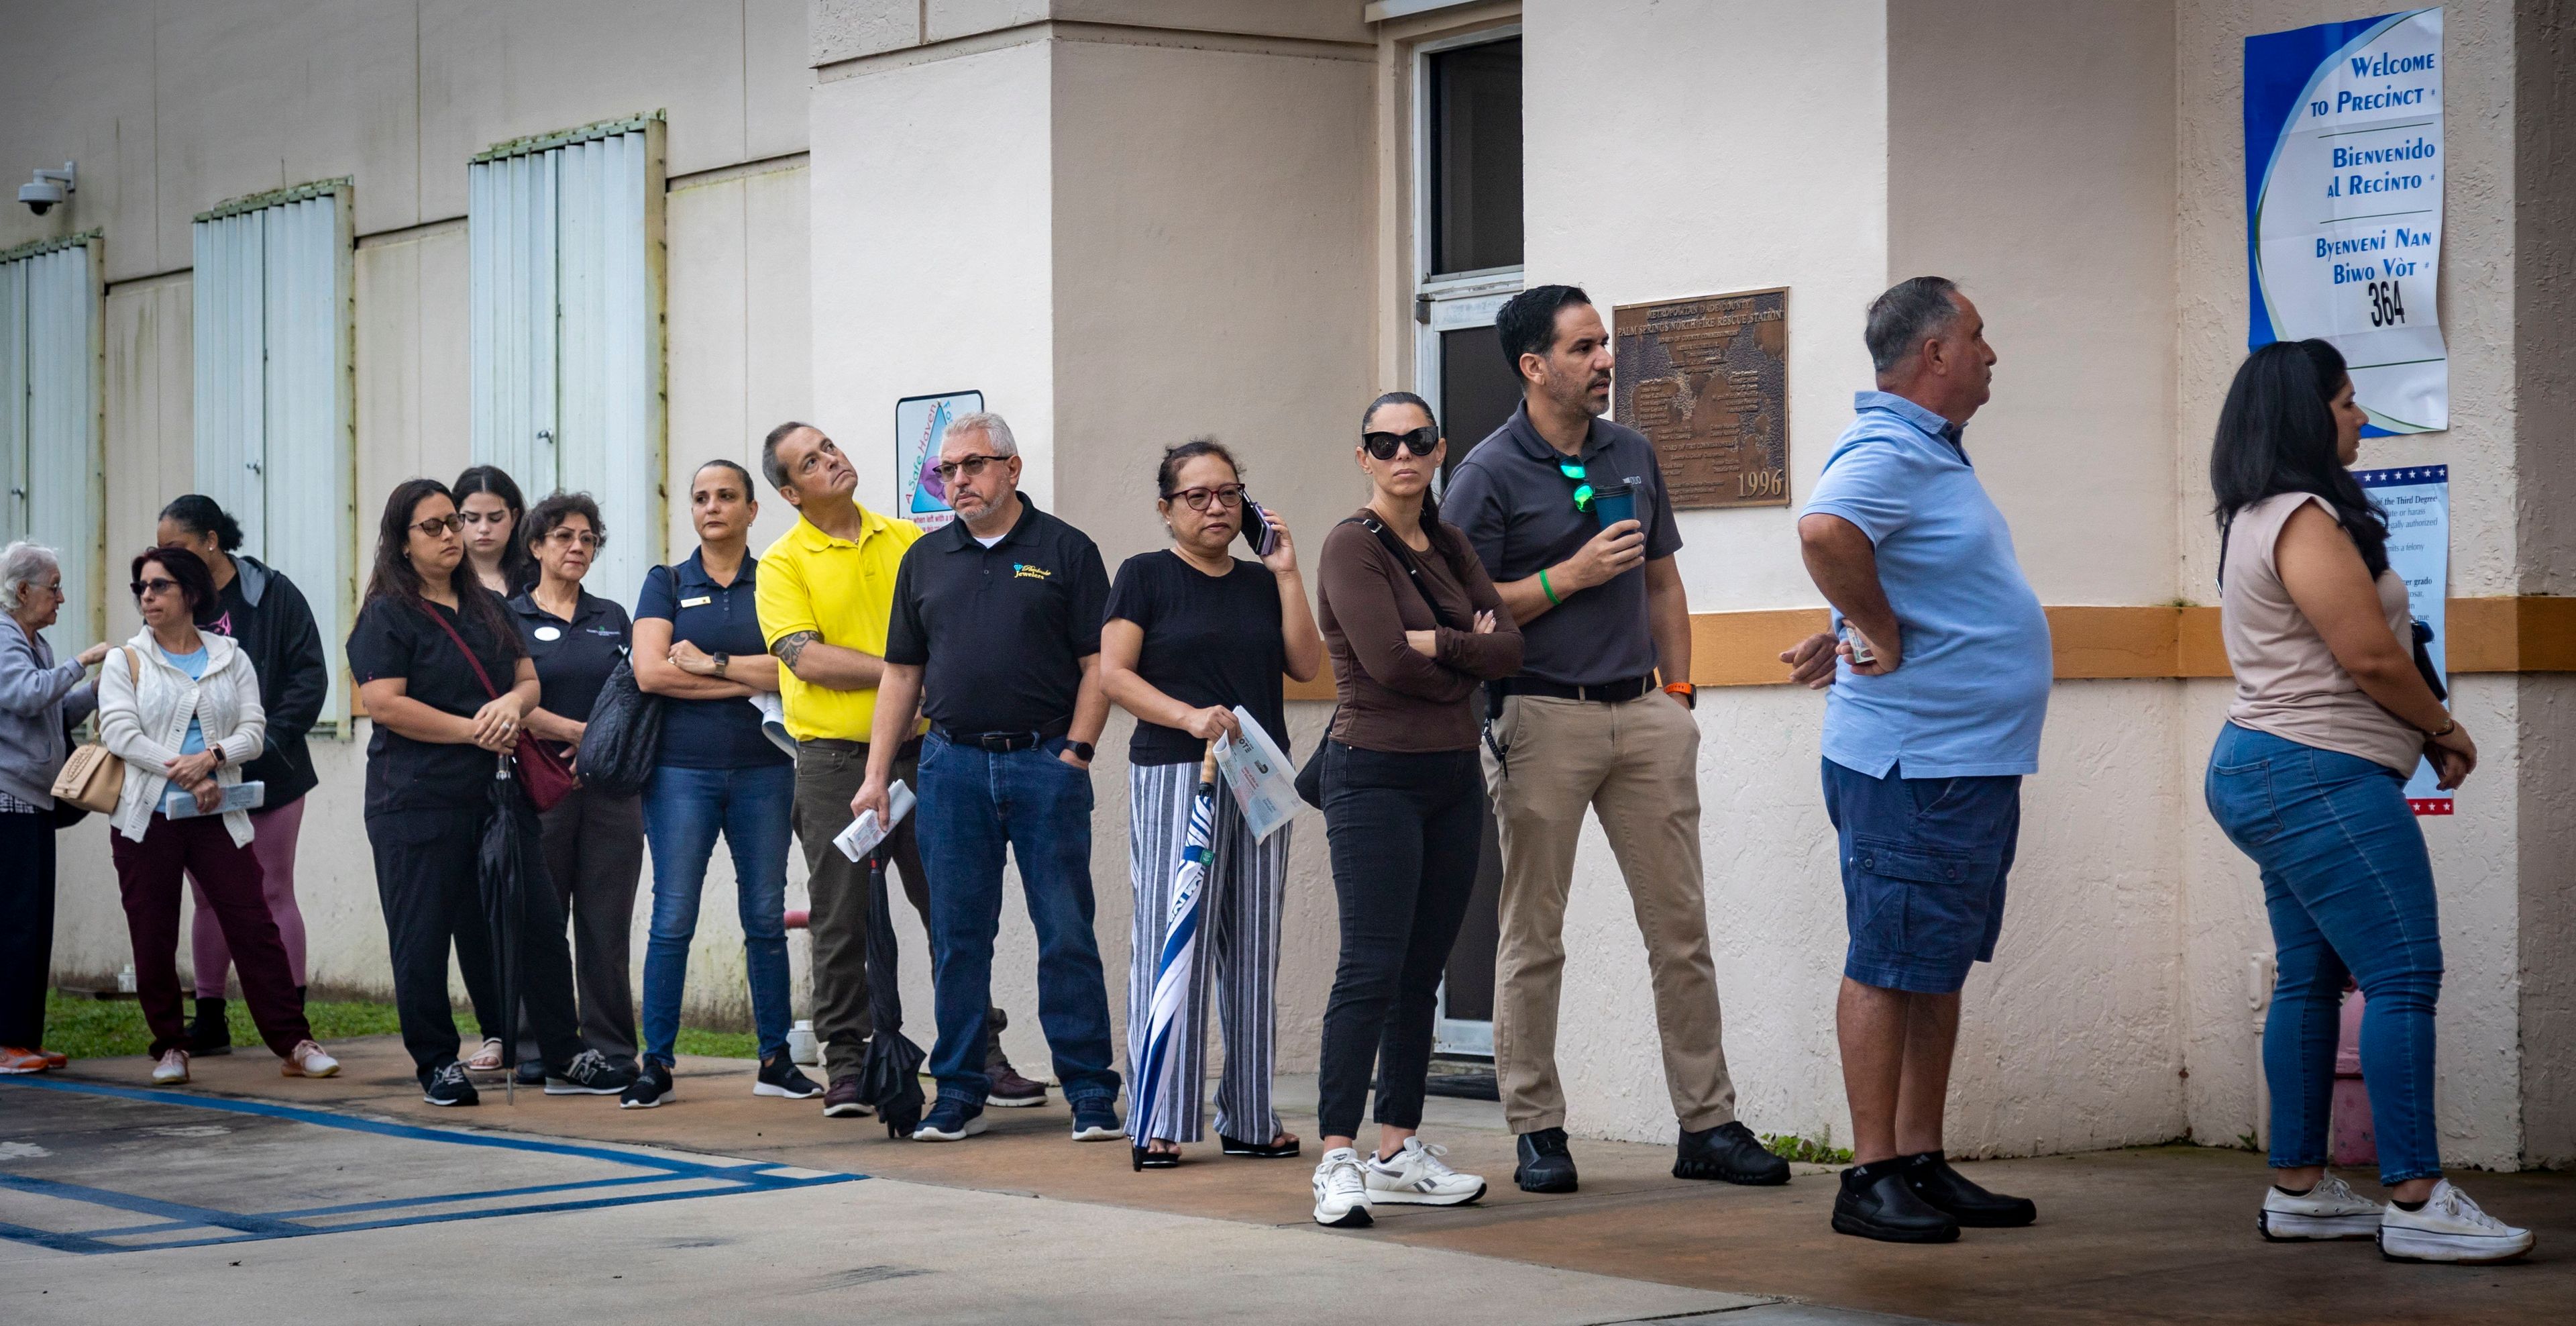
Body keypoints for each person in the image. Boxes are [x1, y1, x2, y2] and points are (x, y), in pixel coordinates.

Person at [1442, 287, 1798, 1196]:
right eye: (1586, 346)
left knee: (1680, 931)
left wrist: (1679, 699)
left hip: (1643, 715)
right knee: (1534, 933)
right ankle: (1537, 1127)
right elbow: (1464, 609)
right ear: (1535, 366)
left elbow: (1664, 585)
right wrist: (1563, 580)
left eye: (1605, 344)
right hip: (1540, 713)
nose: (1607, 360)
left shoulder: (1632, 451)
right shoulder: (1486, 472)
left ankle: (1708, 1124)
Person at [2206, 340, 2530, 1264]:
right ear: (2310, 416)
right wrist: (2442, 729)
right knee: (2401, 973)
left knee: (2311, 977)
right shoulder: (2302, 517)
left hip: (2273, 767)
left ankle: (2301, 1191)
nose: (2361, 417)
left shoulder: (2254, 514)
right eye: (2348, 402)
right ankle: (2419, 1200)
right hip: (2316, 772)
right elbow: (2372, 657)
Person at [1794, 276, 2046, 1243]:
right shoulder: (1889, 445)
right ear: (1934, 353)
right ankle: (1870, 1176)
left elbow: (1891, 559)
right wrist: (1872, 626)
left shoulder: (1929, 455)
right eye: (1977, 337)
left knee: (1933, 965)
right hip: (1916, 765)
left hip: (1964, 761)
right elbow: (1825, 531)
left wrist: (1854, 624)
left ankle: (1920, 1158)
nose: (1990, 354)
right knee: (1888, 960)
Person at [851, 410, 1124, 1146]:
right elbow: (902, 672)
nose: (958, 481)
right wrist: (878, 775)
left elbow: (1098, 664)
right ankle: (960, 1091)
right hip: (951, 767)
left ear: (1012, 468)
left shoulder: (1066, 550)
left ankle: (1092, 1092)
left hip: (1044, 763)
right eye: (947, 470)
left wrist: (1078, 749)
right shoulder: (926, 558)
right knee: (958, 935)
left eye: (973, 465)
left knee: (1064, 929)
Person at [757, 420, 1044, 1118]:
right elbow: (805, 656)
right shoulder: (783, 561)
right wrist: (901, 672)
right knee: (840, 917)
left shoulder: (912, 541)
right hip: (831, 761)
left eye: (830, 446)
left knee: (952, 907)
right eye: (812, 461)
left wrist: (912, 679)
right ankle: (849, 1065)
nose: (833, 459)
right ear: (792, 492)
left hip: (925, 756)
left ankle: (981, 1054)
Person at [1306, 393, 1521, 1228]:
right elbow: (1388, 663)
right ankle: (1335, 1156)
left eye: (1418, 439)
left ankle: (1398, 1147)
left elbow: (1511, 646)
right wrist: (1456, 649)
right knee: (1370, 964)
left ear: (1440, 449)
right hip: (1374, 775)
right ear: (1363, 457)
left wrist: (1446, 645)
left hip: (1450, 774)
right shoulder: (1349, 546)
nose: (1403, 453)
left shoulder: (1453, 542)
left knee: (1421, 970)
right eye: (1384, 442)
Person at [349, 478, 629, 1107]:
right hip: (414, 801)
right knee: (422, 933)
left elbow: (526, 681)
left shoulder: (491, 606)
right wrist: (476, 730)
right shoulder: (387, 614)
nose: (451, 535)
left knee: (536, 922)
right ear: (402, 541)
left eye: (453, 522)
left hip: (499, 797)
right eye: (435, 527)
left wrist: (510, 702)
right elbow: (384, 704)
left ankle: (565, 1051)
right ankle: (436, 1062)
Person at [1101, 438, 1323, 1167]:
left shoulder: (1261, 583)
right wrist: (1188, 715)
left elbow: (1305, 663)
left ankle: (1250, 1116)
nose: (1215, 506)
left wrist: (1287, 571)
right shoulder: (1144, 577)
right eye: (1196, 495)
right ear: (1166, 509)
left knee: (1254, 945)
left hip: (1257, 775)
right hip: (1176, 770)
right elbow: (1113, 676)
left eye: (1228, 492)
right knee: (1176, 940)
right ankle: (1159, 1114)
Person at [97, 546, 336, 1086]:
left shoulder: (231, 656)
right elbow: (119, 732)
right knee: (153, 931)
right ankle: (170, 1047)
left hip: (216, 815)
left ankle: (294, 1042)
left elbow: (254, 730)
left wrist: (213, 760)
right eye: (142, 589)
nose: (148, 597)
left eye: (160, 586)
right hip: (146, 818)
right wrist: (185, 770)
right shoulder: (125, 660)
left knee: (253, 924)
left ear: (191, 593)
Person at [623, 460, 820, 1109]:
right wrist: (748, 679)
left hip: (765, 770)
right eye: (701, 496)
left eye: (726, 496)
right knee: (673, 917)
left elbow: (796, 670)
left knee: (765, 917)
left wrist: (708, 666)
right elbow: (651, 674)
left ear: (752, 509)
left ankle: (774, 1059)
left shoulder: (776, 580)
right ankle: (656, 1062)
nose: (713, 506)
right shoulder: (667, 582)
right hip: (680, 773)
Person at [155, 495, 329, 1056]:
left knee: (274, 890)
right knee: (208, 899)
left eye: (176, 548)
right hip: (200, 780)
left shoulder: (272, 595)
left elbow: (309, 677)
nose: (165, 563)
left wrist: (262, 741)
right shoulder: (174, 602)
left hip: (272, 770)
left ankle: (292, 1017)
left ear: (211, 539)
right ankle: (210, 1017)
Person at [505, 493, 645, 1082]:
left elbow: (637, 692)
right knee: (538, 922)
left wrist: (598, 747)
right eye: (563, 536)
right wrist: (573, 731)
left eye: (588, 538)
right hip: (541, 790)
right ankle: (538, 1047)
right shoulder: (508, 618)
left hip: (610, 791)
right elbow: (503, 697)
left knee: (605, 925)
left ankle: (613, 1048)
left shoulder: (612, 616)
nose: (577, 547)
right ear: (536, 546)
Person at [1, 541, 107, 1074]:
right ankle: (7, 1042)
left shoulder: (33, 642)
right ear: (22, 591)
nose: (62, 598)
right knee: (15, 922)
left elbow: (54, 708)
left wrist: (95, 689)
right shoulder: (4, 641)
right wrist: (82, 661)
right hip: (8, 804)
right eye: (54, 586)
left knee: (36, 922)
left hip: (34, 801)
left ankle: (25, 1039)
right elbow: (24, 695)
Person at [455, 464, 537, 598]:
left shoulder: (537, 577)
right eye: (472, 518)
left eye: (495, 518)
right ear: (456, 519)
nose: (484, 529)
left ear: (514, 517)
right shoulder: (443, 579)